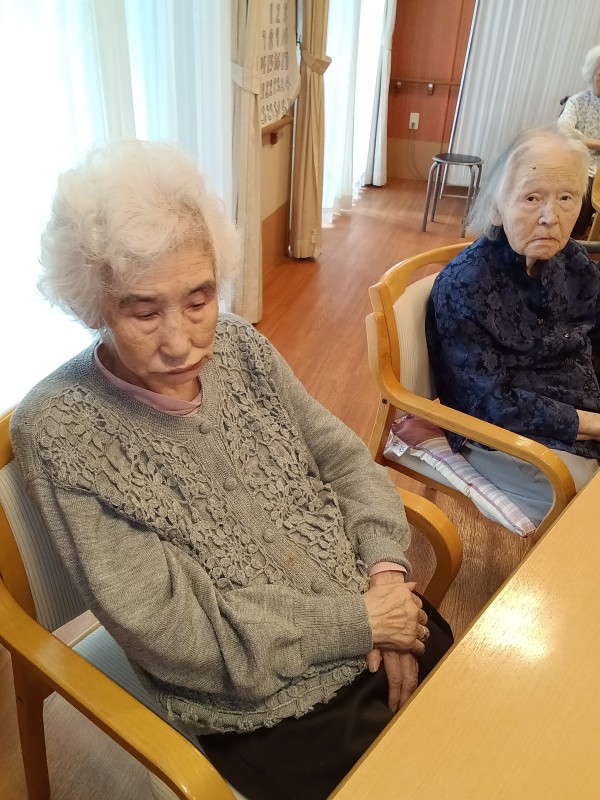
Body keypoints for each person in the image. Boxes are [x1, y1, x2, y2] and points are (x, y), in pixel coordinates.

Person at [10, 139, 453, 800]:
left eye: (198, 299)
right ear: (94, 303)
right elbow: (172, 632)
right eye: (143, 310)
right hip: (266, 702)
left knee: (477, 734)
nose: (181, 341)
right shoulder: (62, 428)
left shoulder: (240, 346)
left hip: (375, 603)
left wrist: (388, 576)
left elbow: (343, 460)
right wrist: (362, 623)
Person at [425, 124, 600, 526]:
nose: (550, 218)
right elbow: (490, 404)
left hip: (581, 411)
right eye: (532, 197)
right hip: (505, 435)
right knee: (587, 517)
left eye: (566, 198)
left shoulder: (573, 261)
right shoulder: (465, 285)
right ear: (496, 206)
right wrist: (591, 425)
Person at [558, 44, 600, 236]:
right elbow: (563, 131)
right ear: (590, 74)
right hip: (584, 167)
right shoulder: (578, 101)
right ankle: (574, 240)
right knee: (581, 198)